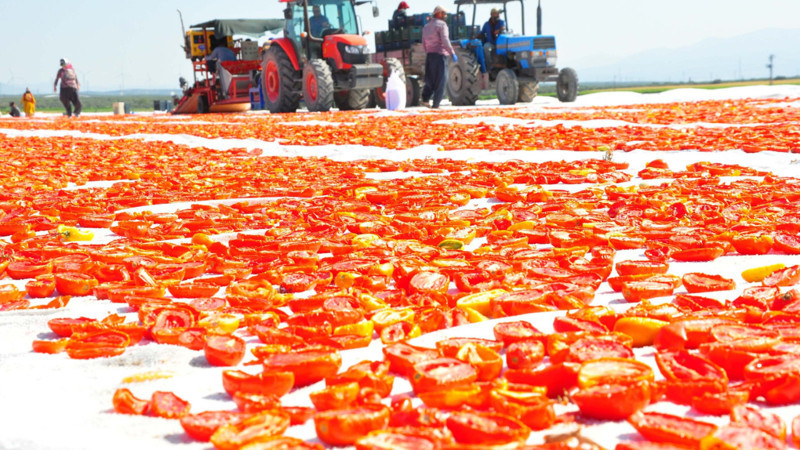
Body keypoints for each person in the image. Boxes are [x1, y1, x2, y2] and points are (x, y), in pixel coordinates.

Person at [420, 5, 456, 109]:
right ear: (439, 13)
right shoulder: (442, 25)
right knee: (441, 80)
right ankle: (436, 105)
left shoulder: (426, 27)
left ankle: (425, 99)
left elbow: (424, 43)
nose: (445, 16)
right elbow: (445, 40)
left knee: (430, 79)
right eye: (444, 13)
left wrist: (429, 52)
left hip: (430, 56)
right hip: (440, 56)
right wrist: (452, 53)